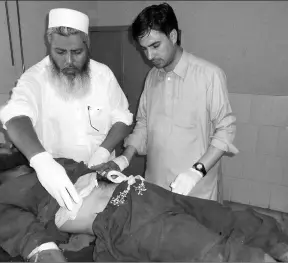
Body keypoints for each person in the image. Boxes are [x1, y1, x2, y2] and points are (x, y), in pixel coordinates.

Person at [0, 139, 288, 262]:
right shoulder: (4, 200)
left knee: (255, 225)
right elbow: (38, 247)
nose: (9, 145)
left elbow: (98, 169)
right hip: (126, 219)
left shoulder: (47, 163)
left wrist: (116, 160)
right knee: (227, 257)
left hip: (147, 192)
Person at [92, 3, 237, 202]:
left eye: (155, 46)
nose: (150, 56)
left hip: (195, 190)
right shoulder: (152, 77)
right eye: (144, 49)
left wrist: (196, 172)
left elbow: (225, 130)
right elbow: (143, 125)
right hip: (155, 187)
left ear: (173, 36)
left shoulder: (209, 76)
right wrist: (124, 158)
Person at [0, 8, 133, 212]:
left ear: (87, 45)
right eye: (60, 52)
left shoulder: (103, 75)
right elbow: (15, 116)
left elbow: (123, 118)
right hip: (60, 183)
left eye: (77, 52)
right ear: (49, 45)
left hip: (102, 176)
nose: (69, 61)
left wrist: (103, 151)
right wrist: (42, 162)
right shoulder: (34, 78)